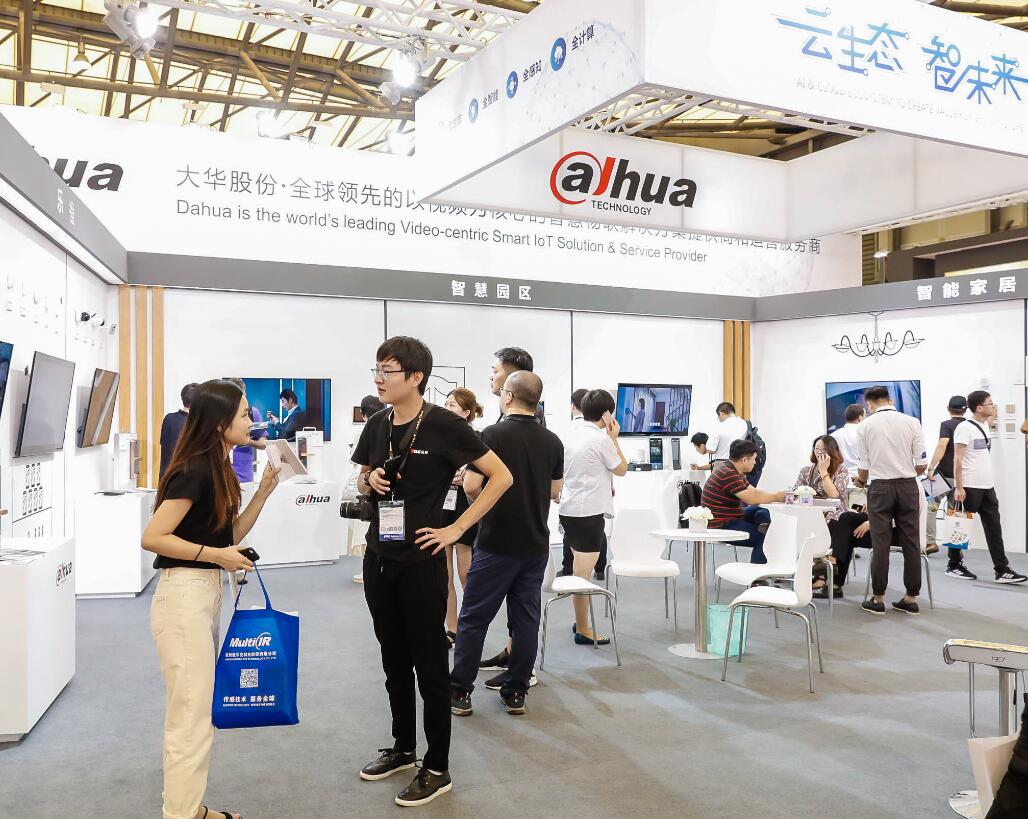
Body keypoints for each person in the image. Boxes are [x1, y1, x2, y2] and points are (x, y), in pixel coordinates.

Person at [353, 336, 512, 808]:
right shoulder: (378, 423)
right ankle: (403, 747)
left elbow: (501, 477)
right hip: (379, 558)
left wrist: (457, 527)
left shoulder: (444, 424)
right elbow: (362, 477)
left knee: (429, 666)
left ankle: (437, 766)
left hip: (422, 562)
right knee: (393, 660)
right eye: (376, 370)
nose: (379, 379)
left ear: (415, 376)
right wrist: (370, 479)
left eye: (388, 371)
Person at [141, 379, 281, 819]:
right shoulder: (196, 469)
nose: (251, 421)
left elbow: (228, 536)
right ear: (220, 422)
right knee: (191, 718)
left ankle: (187, 809)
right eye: (243, 414)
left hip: (202, 595)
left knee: (193, 714)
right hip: (183, 597)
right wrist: (217, 556)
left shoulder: (217, 467)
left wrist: (263, 492)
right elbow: (154, 537)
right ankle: (183, 814)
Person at [450, 371, 563, 717]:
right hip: (535, 544)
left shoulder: (492, 435)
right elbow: (555, 491)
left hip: (496, 542)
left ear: (509, 396)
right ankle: (516, 692)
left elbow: (471, 485)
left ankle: (460, 691)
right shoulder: (553, 441)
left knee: (474, 618)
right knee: (526, 620)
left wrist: (482, 509)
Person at [558, 389, 628, 643]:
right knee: (583, 574)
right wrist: (615, 439)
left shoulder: (572, 432)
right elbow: (621, 469)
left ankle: (580, 621)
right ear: (607, 414)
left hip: (569, 509)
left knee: (580, 569)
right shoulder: (601, 440)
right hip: (589, 512)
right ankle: (583, 629)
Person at [856, 385, 928, 616]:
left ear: (869, 404)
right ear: (890, 400)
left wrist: (861, 480)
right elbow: (922, 464)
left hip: (880, 488)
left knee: (881, 544)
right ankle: (911, 598)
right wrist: (905, 471)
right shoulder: (912, 422)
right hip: (908, 486)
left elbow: (864, 469)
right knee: (911, 542)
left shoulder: (865, 426)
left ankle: (878, 599)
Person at [951, 391, 1026, 584]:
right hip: (969, 486)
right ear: (979, 408)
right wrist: (959, 487)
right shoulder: (964, 428)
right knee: (959, 526)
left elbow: (992, 415)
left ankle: (1002, 570)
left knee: (994, 527)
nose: (993, 406)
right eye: (990, 403)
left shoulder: (983, 425)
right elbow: (957, 459)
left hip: (987, 486)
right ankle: (954, 565)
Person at [441, 387, 484, 643]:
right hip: (441, 506)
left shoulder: (476, 438)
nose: (447, 408)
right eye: (446, 403)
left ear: (466, 413)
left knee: (465, 572)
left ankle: (470, 628)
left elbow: (484, 474)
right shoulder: (437, 436)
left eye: (452, 405)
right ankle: (452, 628)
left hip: (465, 506)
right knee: (444, 574)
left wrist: (467, 475)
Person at [700, 440, 786, 563]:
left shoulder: (731, 468)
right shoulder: (728, 474)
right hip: (721, 524)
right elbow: (752, 499)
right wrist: (777, 497)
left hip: (730, 515)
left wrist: (777, 495)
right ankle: (758, 573)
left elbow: (753, 491)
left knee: (761, 512)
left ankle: (765, 529)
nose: (755, 462)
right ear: (745, 460)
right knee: (764, 539)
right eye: (754, 459)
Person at [792, 435, 852, 599]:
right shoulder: (806, 470)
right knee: (799, 521)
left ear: (832, 451)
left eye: (824, 450)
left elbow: (834, 495)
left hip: (834, 512)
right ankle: (812, 569)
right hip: (810, 511)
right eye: (817, 449)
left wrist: (824, 471)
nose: (819, 453)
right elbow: (796, 492)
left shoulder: (841, 470)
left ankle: (821, 573)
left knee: (830, 522)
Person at [925, 395, 969, 561]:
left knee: (931, 506)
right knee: (955, 512)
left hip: (943, 475)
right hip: (961, 478)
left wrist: (931, 467)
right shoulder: (969, 426)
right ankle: (956, 548)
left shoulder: (947, 425)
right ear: (965, 409)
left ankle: (931, 542)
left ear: (948, 409)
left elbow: (942, 445)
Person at [351, 395, 386, 586]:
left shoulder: (365, 432)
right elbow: (363, 473)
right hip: (374, 492)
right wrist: (367, 477)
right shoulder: (377, 430)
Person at [489, 347, 545, 426]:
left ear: (514, 376)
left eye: (495, 371)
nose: (490, 377)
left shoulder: (526, 411)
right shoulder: (512, 404)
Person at [226, 378, 267, 484]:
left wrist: (247, 441)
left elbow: (264, 444)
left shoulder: (253, 413)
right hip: (222, 474)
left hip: (244, 476)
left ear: (245, 394)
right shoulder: (221, 413)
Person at [159, 382, 197, 478]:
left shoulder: (169, 419)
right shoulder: (198, 423)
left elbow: (165, 449)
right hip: (188, 479)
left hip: (167, 477)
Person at [831, 403, 865, 478]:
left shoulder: (834, 435)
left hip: (840, 479)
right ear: (860, 417)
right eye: (865, 417)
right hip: (860, 479)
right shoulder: (865, 434)